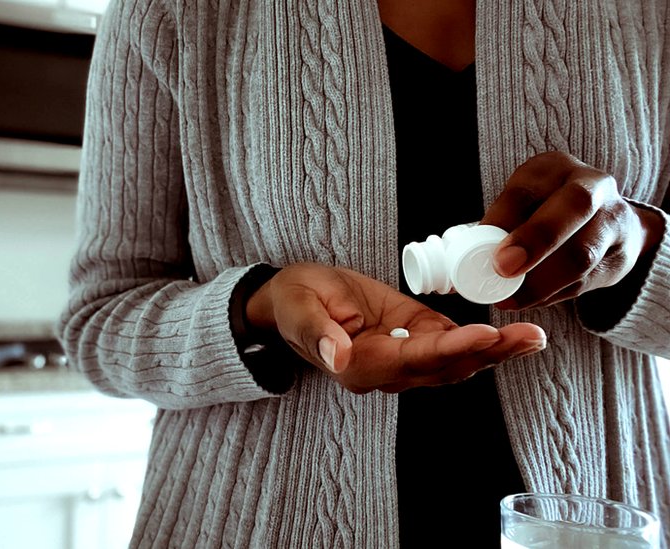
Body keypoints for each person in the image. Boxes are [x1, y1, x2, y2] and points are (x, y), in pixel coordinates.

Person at [57, 0, 670, 546]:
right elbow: (100, 321)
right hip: (259, 522)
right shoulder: (173, 13)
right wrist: (260, 310)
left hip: (594, 520)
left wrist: (640, 247)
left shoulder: (650, 17)